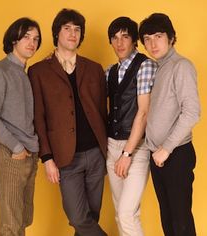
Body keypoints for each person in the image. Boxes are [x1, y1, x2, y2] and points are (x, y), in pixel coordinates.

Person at [28, 8, 107, 236]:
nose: (73, 33)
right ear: (57, 34)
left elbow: (102, 110)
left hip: (96, 154)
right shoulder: (39, 71)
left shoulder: (94, 68)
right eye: (67, 28)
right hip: (65, 158)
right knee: (78, 217)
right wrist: (47, 158)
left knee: (91, 217)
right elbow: (38, 118)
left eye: (77, 29)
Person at [139, 13, 201, 236]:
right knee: (168, 220)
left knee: (181, 222)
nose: (152, 43)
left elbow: (192, 112)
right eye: (147, 38)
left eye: (158, 36)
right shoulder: (159, 68)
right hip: (158, 156)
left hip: (176, 154)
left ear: (171, 38)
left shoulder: (180, 66)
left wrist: (166, 149)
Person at [0, 18, 42, 236]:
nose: (32, 43)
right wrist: (16, 148)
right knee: (10, 224)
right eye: (26, 36)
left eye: (35, 39)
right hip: (10, 154)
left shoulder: (24, 74)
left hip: (28, 155)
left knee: (23, 218)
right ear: (13, 38)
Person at [106, 17, 157, 236]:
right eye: (115, 38)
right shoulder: (109, 72)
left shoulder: (146, 66)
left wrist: (127, 153)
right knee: (123, 212)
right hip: (112, 147)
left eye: (125, 36)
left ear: (134, 40)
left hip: (135, 149)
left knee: (126, 213)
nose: (120, 43)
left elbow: (143, 113)